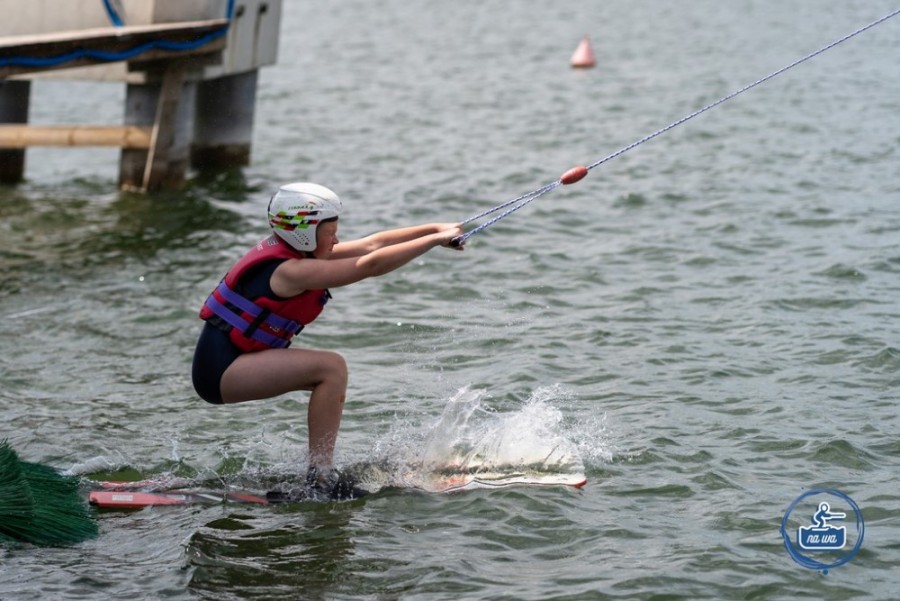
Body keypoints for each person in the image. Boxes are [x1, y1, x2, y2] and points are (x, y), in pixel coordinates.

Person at [191, 182, 464, 499]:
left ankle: (319, 474)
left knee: (331, 369)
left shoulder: (298, 253)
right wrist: (435, 241)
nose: (336, 239)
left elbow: (373, 244)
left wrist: (435, 228)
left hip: (235, 363)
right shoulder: (290, 270)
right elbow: (371, 265)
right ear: (304, 234)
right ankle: (320, 479)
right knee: (330, 368)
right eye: (330, 232)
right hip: (220, 373)